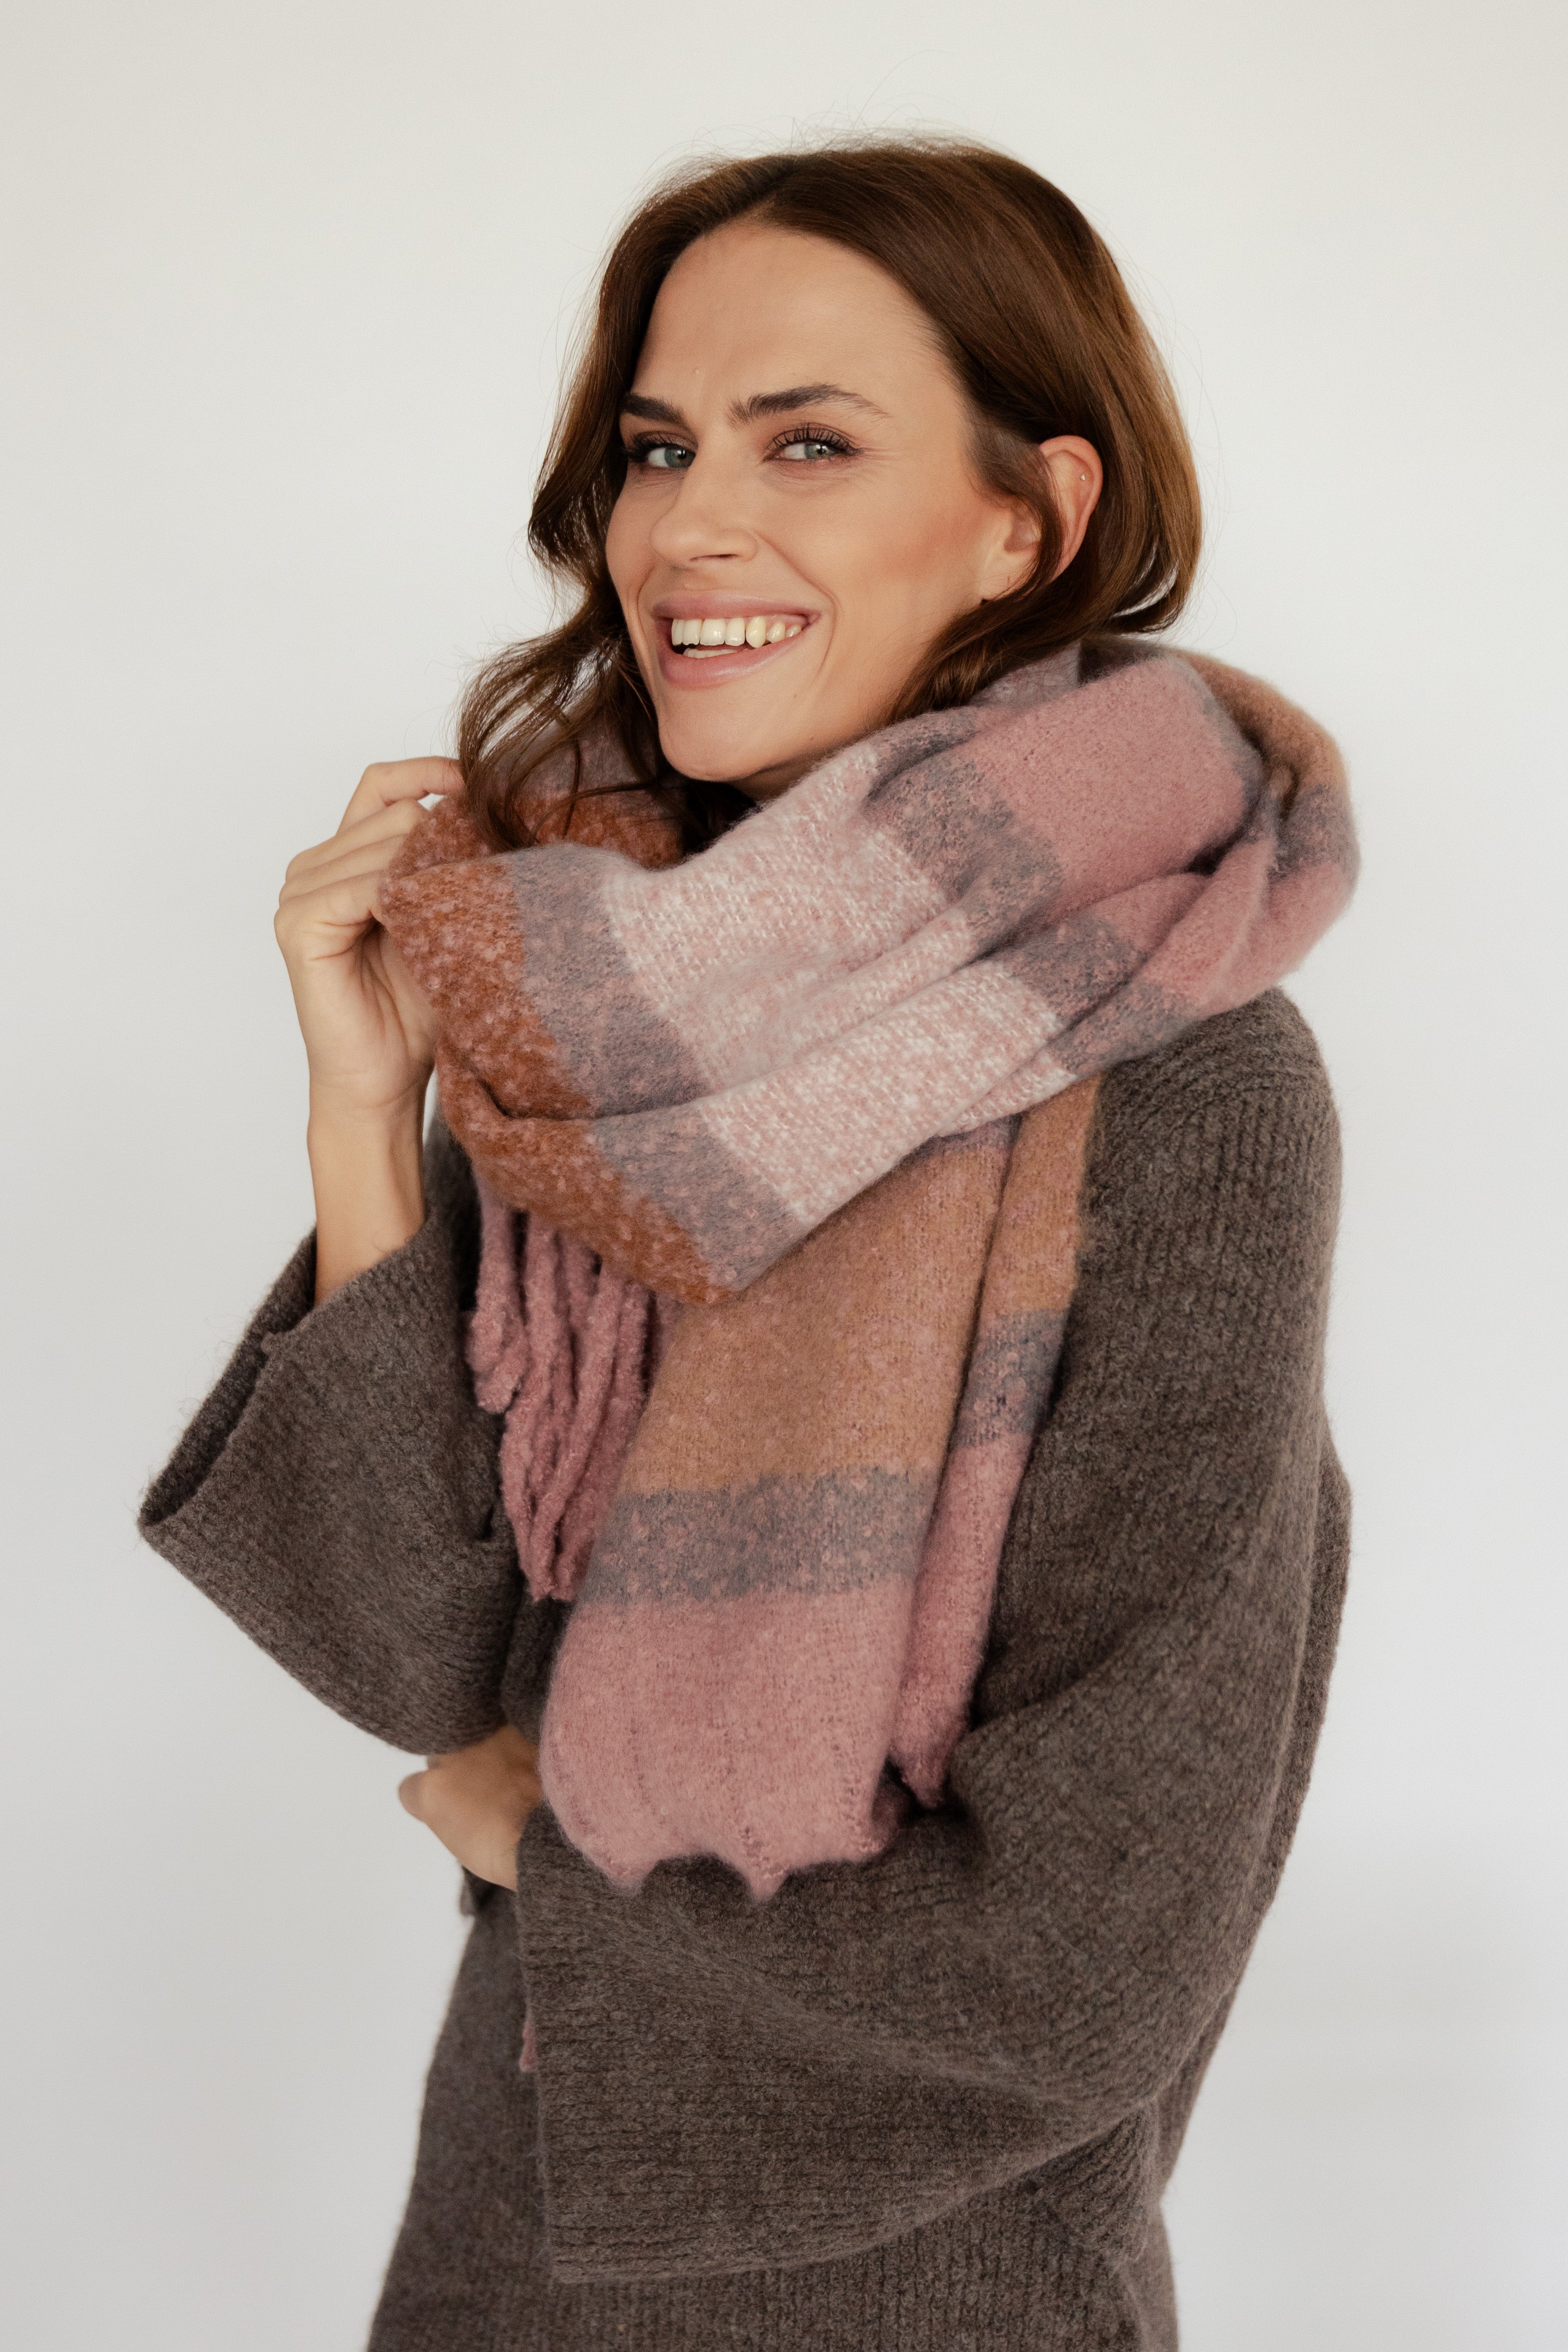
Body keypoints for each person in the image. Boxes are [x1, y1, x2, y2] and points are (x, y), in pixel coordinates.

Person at [140, 136, 1358, 2351]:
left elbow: (1092, 1944)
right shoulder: (597, 1014)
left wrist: (542, 1861)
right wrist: (364, 1110)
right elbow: (413, 1653)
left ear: (1029, 518)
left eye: (807, 442)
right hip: (508, 2243)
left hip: (935, 2297)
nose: (689, 525)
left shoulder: (1183, 1084)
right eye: (656, 446)